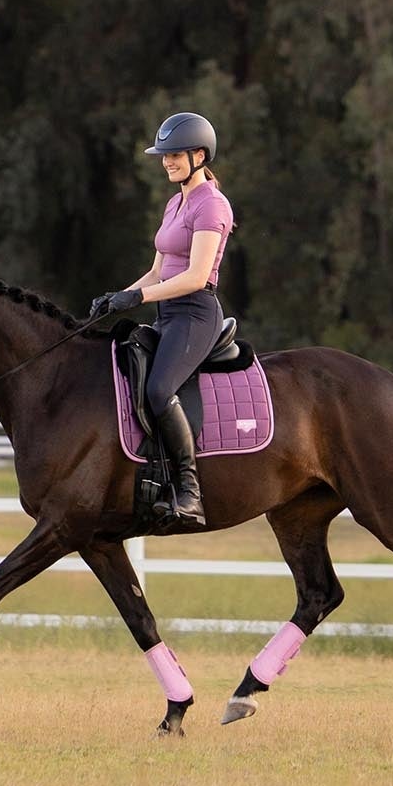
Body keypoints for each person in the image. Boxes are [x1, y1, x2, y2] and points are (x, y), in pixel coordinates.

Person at [87, 110, 234, 532]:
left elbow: (194, 276)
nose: (167, 162)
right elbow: (157, 272)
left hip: (196, 312)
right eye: (164, 156)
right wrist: (118, 298)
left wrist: (137, 297)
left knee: (158, 388)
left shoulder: (213, 206)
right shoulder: (176, 202)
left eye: (174, 155)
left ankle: (190, 492)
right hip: (167, 310)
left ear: (200, 155)